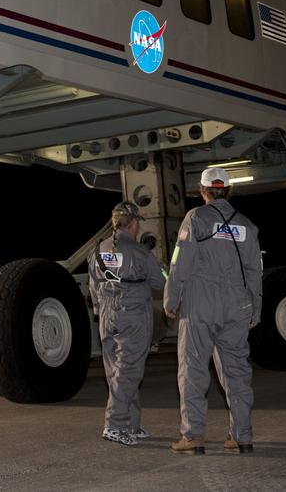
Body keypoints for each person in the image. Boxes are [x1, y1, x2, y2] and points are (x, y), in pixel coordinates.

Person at [164, 167, 263, 455]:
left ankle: (193, 437)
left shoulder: (196, 218)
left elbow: (179, 261)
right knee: (237, 373)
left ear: (203, 190)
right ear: (228, 190)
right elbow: (255, 271)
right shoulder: (247, 225)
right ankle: (242, 436)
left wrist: (171, 300)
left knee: (193, 370)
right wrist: (255, 310)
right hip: (237, 306)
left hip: (201, 306)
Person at [88, 201, 167, 446]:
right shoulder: (139, 252)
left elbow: (93, 284)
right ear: (133, 224)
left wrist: (100, 310)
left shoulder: (98, 250)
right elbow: (161, 282)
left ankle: (131, 424)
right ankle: (115, 424)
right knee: (130, 370)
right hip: (132, 314)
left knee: (117, 372)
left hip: (107, 315)